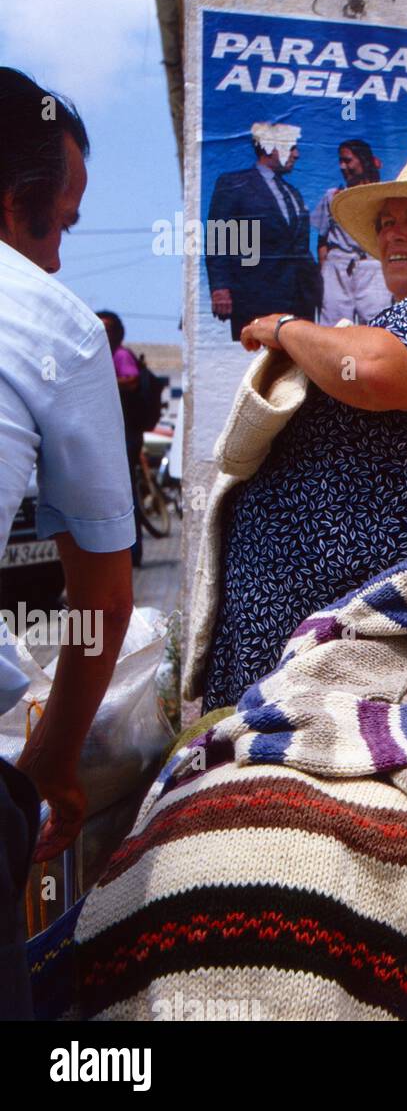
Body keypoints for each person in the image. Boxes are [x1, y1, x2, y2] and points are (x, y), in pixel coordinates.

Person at [199, 152, 407, 710]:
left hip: (353, 615)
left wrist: (285, 327)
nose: (392, 236)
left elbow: (373, 373)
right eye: (385, 224)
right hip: (324, 611)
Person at [0, 69, 135, 1016]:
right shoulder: (51, 320)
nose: (56, 260)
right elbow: (104, 603)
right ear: (17, 206)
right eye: (62, 225)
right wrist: (50, 762)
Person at [206, 122, 318, 341]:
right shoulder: (234, 184)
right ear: (270, 147)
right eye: (291, 147)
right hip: (255, 298)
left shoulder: (293, 192)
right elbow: (219, 238)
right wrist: (220, 287)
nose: (297, 154)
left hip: (299, 302)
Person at [312, 140, 393, 325]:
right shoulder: (333, 196)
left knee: (377, 324)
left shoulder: (382, 196)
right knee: (333, 326)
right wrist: (324, 272)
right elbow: (322, 240)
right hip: (337, 268)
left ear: (363, 161)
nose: (343, 166)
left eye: (347, 161)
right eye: (340, 161)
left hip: (373, 266)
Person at [96, 310, 146, 568]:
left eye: (108, 329)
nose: (104, 333)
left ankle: (131, 550)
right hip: (117, 434)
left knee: (124, 494)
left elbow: (132, 380)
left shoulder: (120, 355)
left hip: (125, 435)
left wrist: (99, 381)